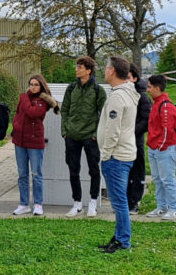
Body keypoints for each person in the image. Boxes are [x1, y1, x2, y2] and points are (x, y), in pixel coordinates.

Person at [96, 56, 140, 253]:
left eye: (106, 67)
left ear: (112, 71)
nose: (105, 71)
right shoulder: (127, 93)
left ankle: (123, 240)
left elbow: (113, 130)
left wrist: (105, 154)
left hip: (116, 156)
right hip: (124, 153)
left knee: (119, 201)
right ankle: (121, 236)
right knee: (120, 200)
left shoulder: (117, 96)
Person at [61, 56, 107, 217]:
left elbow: (104, 114)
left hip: (90, 136)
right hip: (72, 136)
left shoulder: (98, 90)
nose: (76, 69)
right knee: (73, 171)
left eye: (80, 67)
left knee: (94, 170)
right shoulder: (71, 88)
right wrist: (64, 131)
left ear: (88, 70)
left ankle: (93, 203)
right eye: (77, 66)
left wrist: (96, 134)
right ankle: (77, 203)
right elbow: (64, 110)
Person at [12, 74, 58, 216]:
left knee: (36, 174)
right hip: (20, 141)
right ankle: (24, 204)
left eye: (36, 84)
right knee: (22, 174)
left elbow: (32, 113)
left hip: (35, 142)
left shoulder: (42, 101)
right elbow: (18, 114)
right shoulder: (25, 98)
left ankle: (38, 204)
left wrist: (24, 97)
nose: (32, 87)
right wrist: (16, 126)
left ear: (41, 86)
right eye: (31, 84)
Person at [144, 74, 176, 220]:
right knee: (158, 179)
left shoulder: (165, 105)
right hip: (155, 148)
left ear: (157, 88)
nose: (148, 90)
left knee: (168, 179)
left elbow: (168, 129)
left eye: (149, 87)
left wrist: (161, 146)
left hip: (165, 149)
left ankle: (174, 208)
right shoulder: (156, 103)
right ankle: (162, 206)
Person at [127, 65, 151, 215]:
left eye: (128, 77)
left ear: (135, 78)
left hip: (136, 141)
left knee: (137, 173)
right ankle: (125, 201)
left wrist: (131, 131)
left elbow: (147, 119)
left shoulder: (142, 96)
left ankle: (134, 202)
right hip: (122, 143)